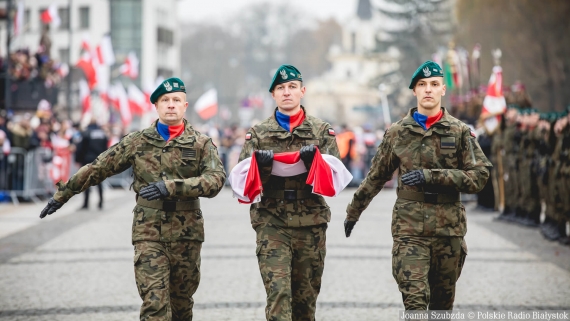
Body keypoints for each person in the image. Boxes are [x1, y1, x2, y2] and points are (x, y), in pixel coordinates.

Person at [39, 77, 226, 321]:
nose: (171, 105)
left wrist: (171, 187)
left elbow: (216, 180)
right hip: (149, 231)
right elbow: (99, 167)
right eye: (165, 100)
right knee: (154, 303)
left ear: (185, 106)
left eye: (176, 100)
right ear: (156, 106)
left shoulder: (201, 143)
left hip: (187, 233)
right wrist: (63, 194)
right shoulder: (138, 142)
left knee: (181, 305)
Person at [344, 61, 492, 311]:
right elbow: (375, 177)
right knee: (415, 305)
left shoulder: (459, 133)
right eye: (422, 85)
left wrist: (433, 176)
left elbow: (479, 176)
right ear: (414, 91)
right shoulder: (398, 133)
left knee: (441, 309)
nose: (428, 90)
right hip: (409, 230)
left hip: (449, 231)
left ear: (443, 89)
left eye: (434, 84)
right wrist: (353, 211)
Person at [237, 65, 341, 320]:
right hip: (272, 222)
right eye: (281, 88)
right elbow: (241, 179)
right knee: (278, 295)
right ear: (273, 94)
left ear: (302, 91)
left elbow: (336, 174)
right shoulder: (258, 133)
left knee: (305, 303)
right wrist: (260, 166)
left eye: (292, 87)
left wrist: (314, 163)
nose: (287, 92)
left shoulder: (320, 131)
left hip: (311, 224)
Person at [75, 119, 109, 210]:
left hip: (87, 160)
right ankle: (101, 202)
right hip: (99, 160)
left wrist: (78, 159)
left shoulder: (86, 133)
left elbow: (80, 148)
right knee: (99, 181)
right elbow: (106, 148)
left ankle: (86, 203)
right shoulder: (102, 133)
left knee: (86, 182)